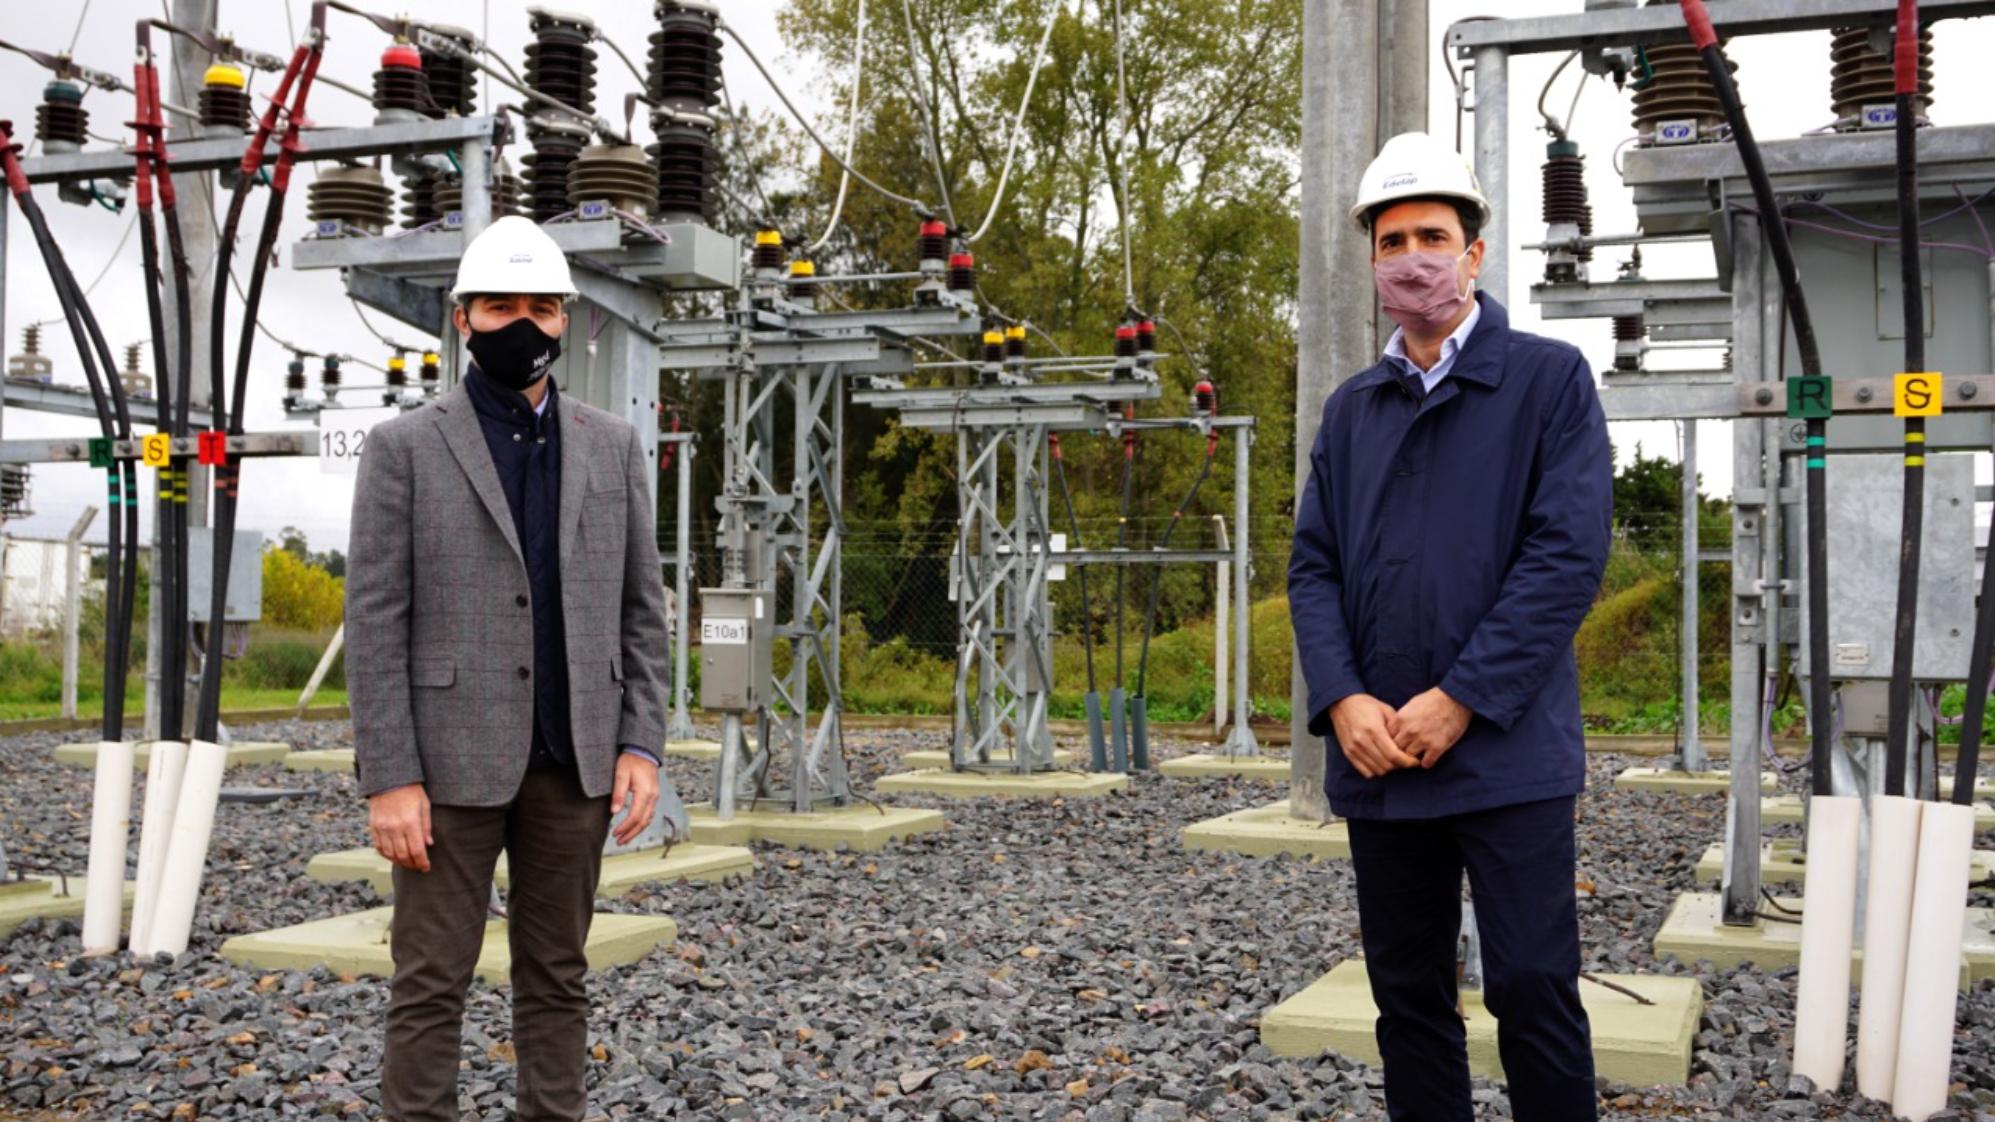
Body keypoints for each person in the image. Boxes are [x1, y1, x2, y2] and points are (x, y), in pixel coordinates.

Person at [1288, 131, 1614, 1122]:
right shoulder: (1353, 412)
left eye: (1433, 234)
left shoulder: (1548, 383)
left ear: (1475, 252)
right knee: (1410, 1000)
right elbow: (1314, 568)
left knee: (1531, 989)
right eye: (1392, 241)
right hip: (1382, 758)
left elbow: (1565, 557)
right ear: (1375, 262)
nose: (1413, 257)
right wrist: (1343, 699)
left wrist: (1463, 697)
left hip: (1505, 753)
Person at [346, 214, 675, 1122]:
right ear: (462, 317)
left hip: (573, 759)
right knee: (429, 982)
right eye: (499, 306)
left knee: (558, 976)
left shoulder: (610, 444)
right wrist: (390, 776)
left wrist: (640, 743)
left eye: (540, 306)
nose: (520, 324)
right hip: (447, 768)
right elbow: (374, 619)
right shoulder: (404, 447)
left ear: (568, 319)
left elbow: (642, 608)